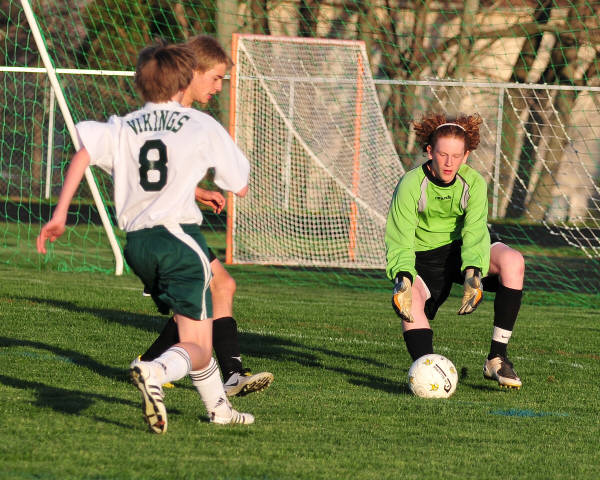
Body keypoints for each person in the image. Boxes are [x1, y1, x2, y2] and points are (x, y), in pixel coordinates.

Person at [37, 41, 255, 433]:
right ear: (184, 81)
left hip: (138, 246)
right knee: (198, 345)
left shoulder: (123, 125)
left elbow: (83, 153)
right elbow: (238, 184)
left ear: (139, 84)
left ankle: (221, 411)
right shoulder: (200, 124)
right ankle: (155, 370)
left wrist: (60, 213)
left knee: (193, 328)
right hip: (179, 240)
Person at [138, 35, 273, 397]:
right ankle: (224, 378)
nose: (218, 87)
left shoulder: (175, 114)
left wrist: (197, 191)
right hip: (164, 229)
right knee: (206, 295)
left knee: (219, 288)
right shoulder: (175, 116)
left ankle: (155, 363)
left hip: (172, 225)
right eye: (215, 78)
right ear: (193, 71)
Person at [385, 112, 524, 389]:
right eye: (443, 154)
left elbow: (475, 232)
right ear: (430, 152)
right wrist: (403, 278)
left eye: (456, 156)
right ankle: (428, 371)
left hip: (463, 249)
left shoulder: (474, 183)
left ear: (466, 156)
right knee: (409, 300)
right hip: (424, 256)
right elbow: (400, 238)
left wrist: (473, 273)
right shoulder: (411, 184)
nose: (449, 163)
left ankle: (497, 358)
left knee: (513, 261)